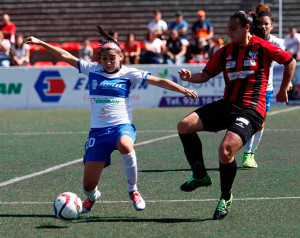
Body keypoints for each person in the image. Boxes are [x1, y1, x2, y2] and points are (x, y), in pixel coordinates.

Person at [26, 25, 198, 214]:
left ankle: (133, 190)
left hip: (121, 127)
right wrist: (41, 43)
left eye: (112, 59)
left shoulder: (129, 74)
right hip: (98, 133)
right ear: (99, 58)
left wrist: (184, 90)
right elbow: (65, 56)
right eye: (105, 59)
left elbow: (160, 81)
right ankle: (92, 198)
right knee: (88, 186)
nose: (108, 63)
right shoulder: (92, 69)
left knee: (126, 145)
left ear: (121, 57)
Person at [177, 11, 295, 220]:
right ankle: (200, 175)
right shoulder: (225, 51)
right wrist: (189, 77)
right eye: (228, 27)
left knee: (226, 149)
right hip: (228, 105)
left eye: (233, 28)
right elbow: (205, 75)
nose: (229, 31)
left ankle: (225, 197)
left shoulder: (262, 46)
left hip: (252, 109)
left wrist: (284, 88)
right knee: (184, 125)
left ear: (246, 28)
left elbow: (289, 61)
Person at [242, 8, 293, 168]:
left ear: (272, 26)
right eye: (261, 23)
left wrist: (287, 83)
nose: (263, 26)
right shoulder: (250, 40)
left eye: (267, 24)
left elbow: (287, 63)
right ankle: (246, 153)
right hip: (249, 88)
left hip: (267, 88)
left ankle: (251, 153)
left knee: (260, 123)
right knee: (248, 120)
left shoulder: (277, 43)